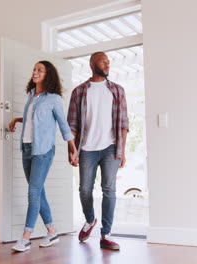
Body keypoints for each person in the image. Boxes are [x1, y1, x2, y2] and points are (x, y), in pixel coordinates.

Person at [9, 60, 78, 252]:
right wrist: (16, 119)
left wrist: (72, 148)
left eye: (40, 70)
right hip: (27, 149)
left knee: (33, 193)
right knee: (39, 192)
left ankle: (25, 238)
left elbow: (63, 124)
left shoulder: (53, 98)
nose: (35, 72)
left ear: (48, 75)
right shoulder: (32, 96)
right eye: (34, 69)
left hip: (43, 151)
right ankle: (52, 232)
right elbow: (34, 119)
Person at [67, 51, 129, 250]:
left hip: (111, 147)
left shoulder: (117, 90)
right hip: (87, 148)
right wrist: (73, 149)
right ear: (92, 63)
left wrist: (123, 151)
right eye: (104, 61)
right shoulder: (79, 92)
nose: (107, 65)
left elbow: (124, 124)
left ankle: (106, 234)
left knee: (109, 190)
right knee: (84, 189)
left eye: (109, 62)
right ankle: (90, 219)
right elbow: (73, 124)